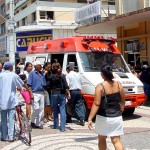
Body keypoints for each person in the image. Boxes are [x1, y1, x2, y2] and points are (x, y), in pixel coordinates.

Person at [88, 66, 125, 150]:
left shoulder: (100, 86)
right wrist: (121, 108)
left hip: (103, 117)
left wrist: (90, 118)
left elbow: (96, 104)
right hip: (117, 116)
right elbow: (123, 99)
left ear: (102, 74)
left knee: (102, 139)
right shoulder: (118, 84)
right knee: (116, 141)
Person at [0, 61, 28, 142]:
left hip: (2, 101)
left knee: (3, 119)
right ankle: (11, 137)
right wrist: (27, 88)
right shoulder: (13, 75)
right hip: (11, 101)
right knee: (11, 119)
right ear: (10, 67)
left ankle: (4, 136)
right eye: (12, 66)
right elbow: (21, 84)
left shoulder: (0, 75)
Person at [47, 63, 70, 132]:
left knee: (55, 109)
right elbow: (66, 85)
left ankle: (55, 125)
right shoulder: (62, 76)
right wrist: (67, 92)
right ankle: (62, 127)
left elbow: (48, 86)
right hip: (62, 94)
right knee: (62, 109)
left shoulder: (51, 76)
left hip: (54, 94)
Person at [27, 61, 47, 129]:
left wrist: (44, 93)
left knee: (41, 109)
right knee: (36, 108)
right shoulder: (32, 74)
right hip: (34, 93)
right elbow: (29, 84)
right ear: (36, 66)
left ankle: (38, 123)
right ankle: (32, 121)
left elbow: (44, 84)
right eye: (39, 65)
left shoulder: (42, 74)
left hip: (41, 92)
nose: (41, 66)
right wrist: (31, 94)